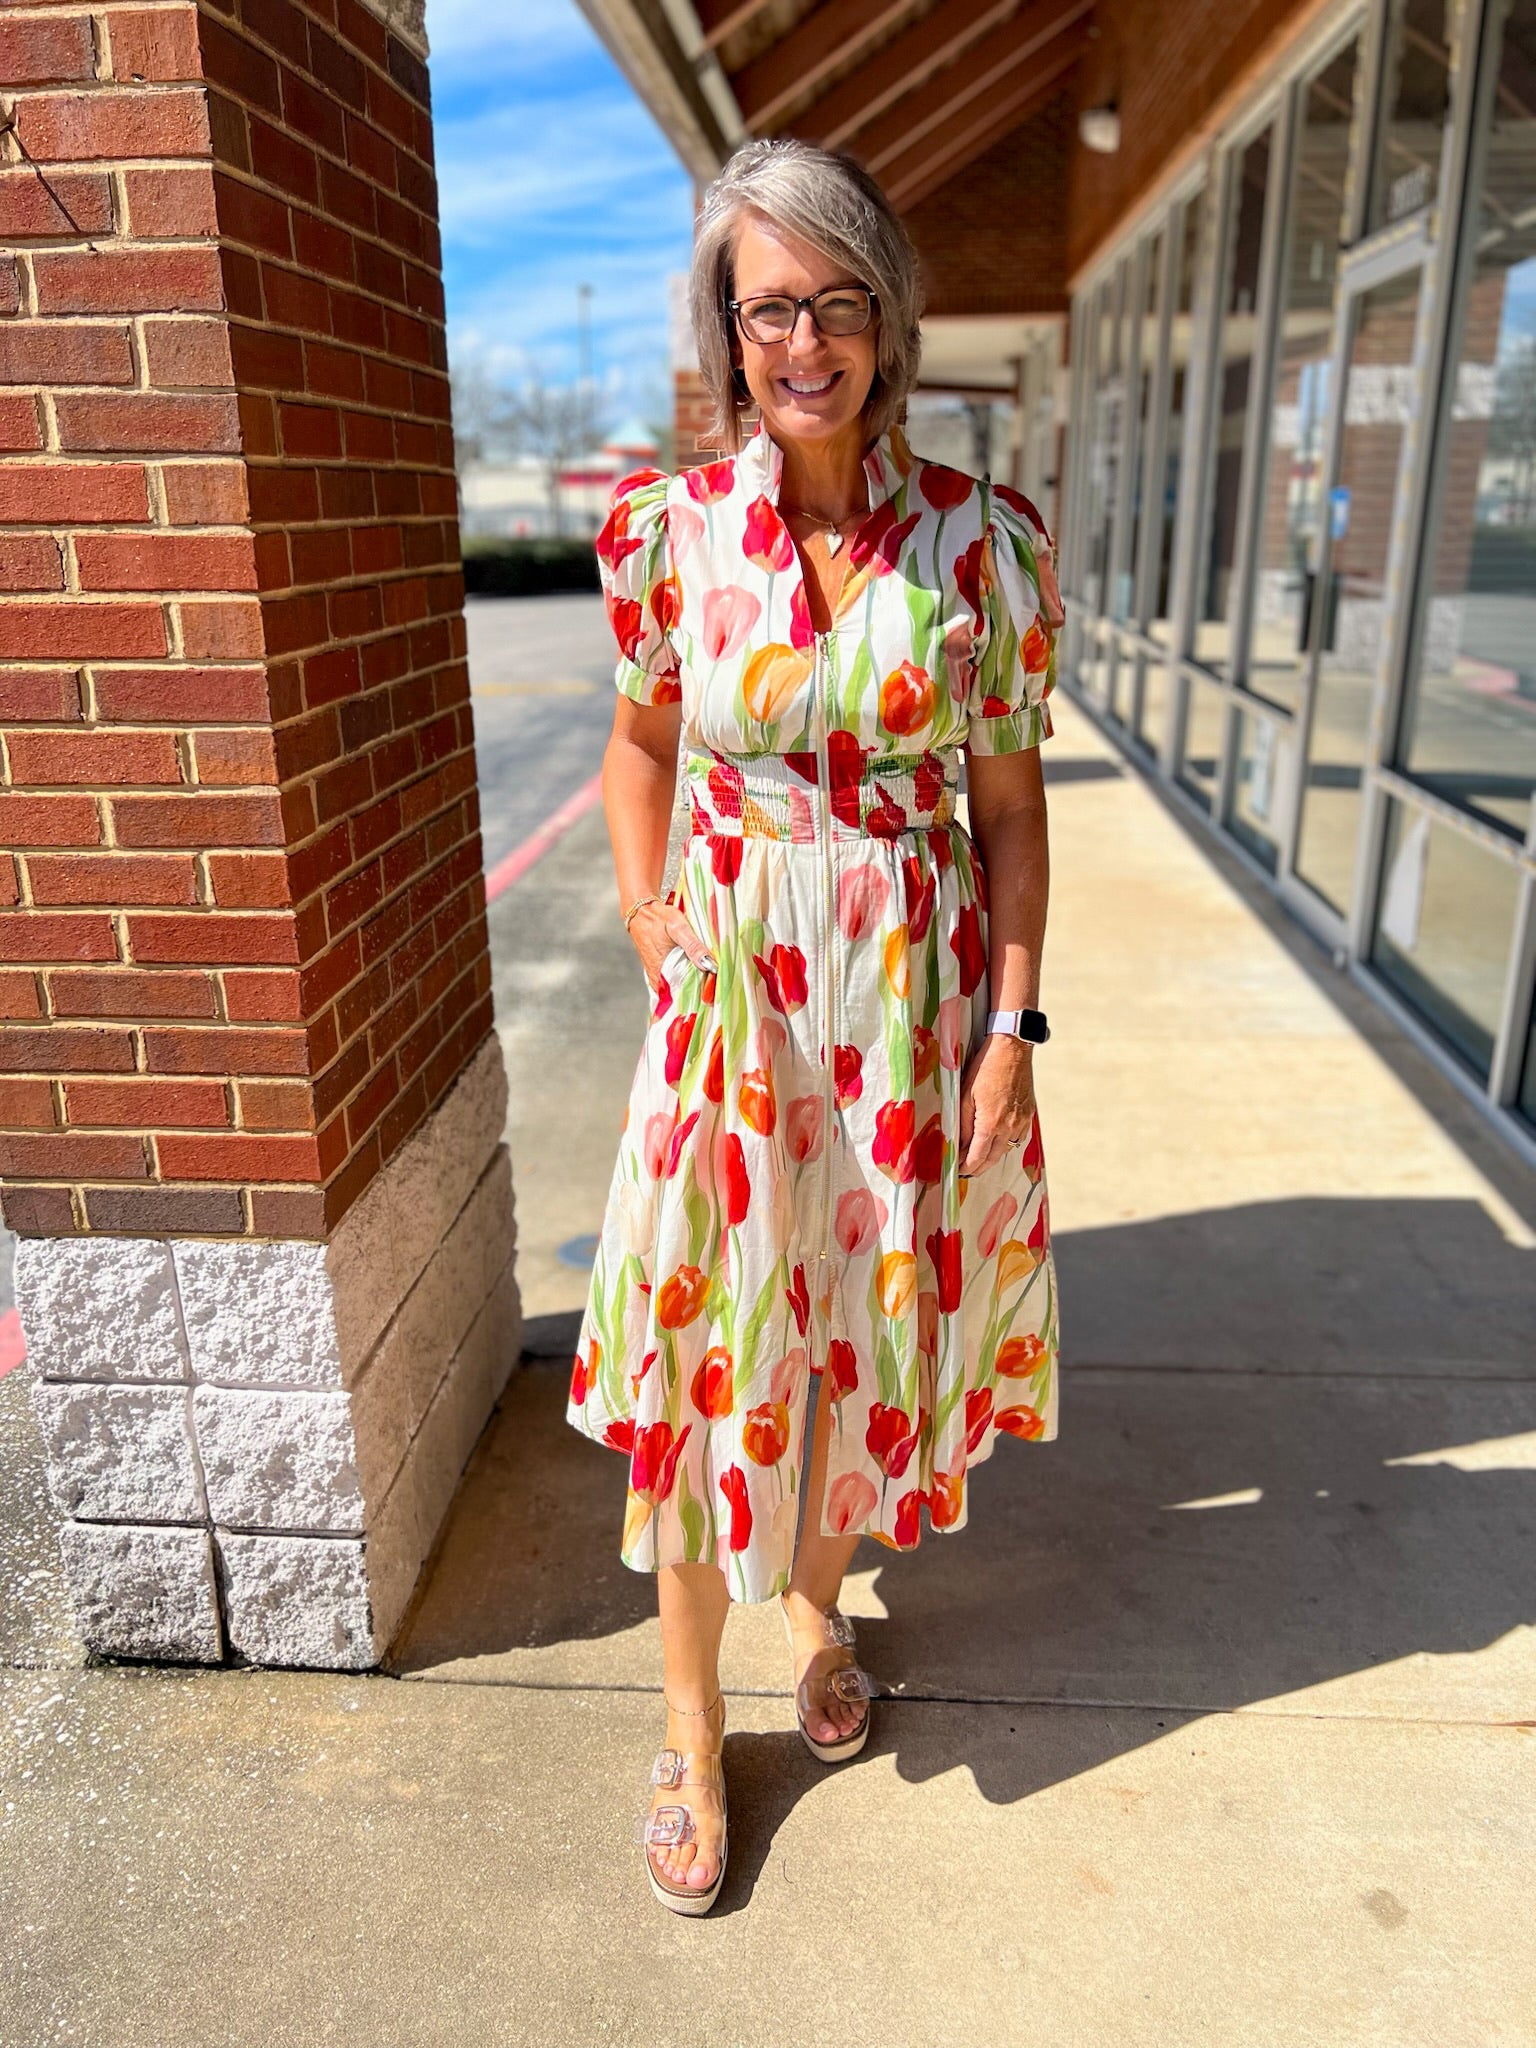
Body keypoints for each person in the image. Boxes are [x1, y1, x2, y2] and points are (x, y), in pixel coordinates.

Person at [566, 137, 1065, 1915]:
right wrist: (653, 926)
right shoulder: (671, 533)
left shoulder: (983, 544)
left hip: (910, 1014)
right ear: (728, 329)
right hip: (735, 1012)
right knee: (710, 1355)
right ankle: (690, 1722)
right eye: (768, 307)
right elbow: (640, 754)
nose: (804, 341)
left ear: (887, 319)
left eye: (837, 301)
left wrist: (1012, 1031)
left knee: (860, 1331)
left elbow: (1010, 813)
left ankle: (815, 1600)